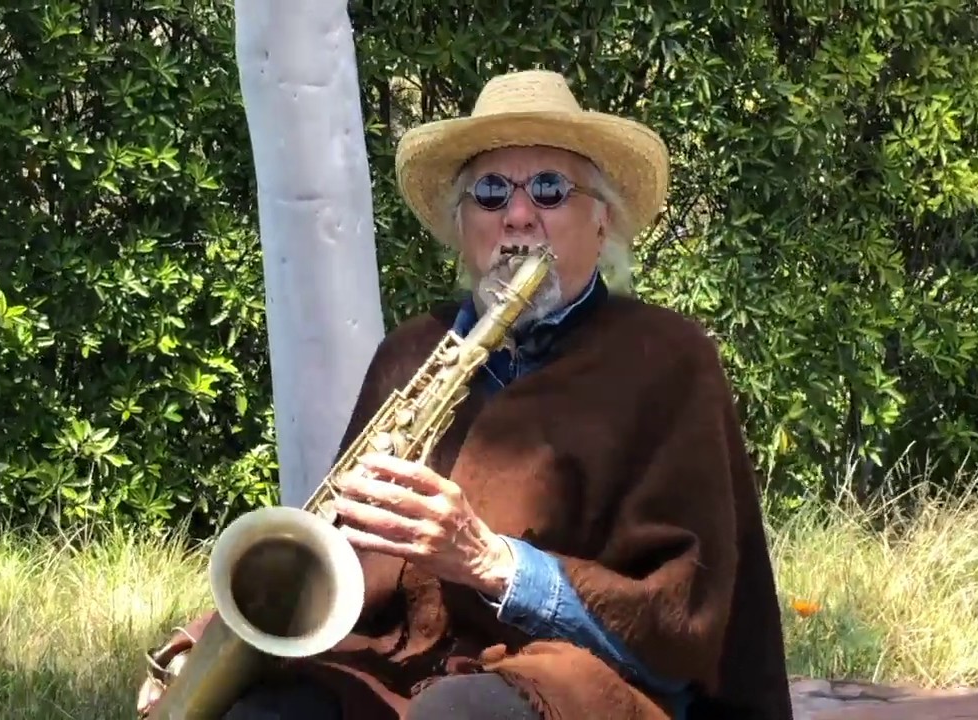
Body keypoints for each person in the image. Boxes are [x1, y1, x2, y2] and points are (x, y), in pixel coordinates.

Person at [138, 69, 796, 720]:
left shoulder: (669, 357)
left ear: (602, 222)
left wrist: (491, 562)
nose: (518, 216)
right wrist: (211, 641)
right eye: (490, 192)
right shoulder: (411, 351)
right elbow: (335, 554)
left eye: (549, 189)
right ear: (462, 226)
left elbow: (679, 631)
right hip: (406, 664)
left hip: (582, 684)